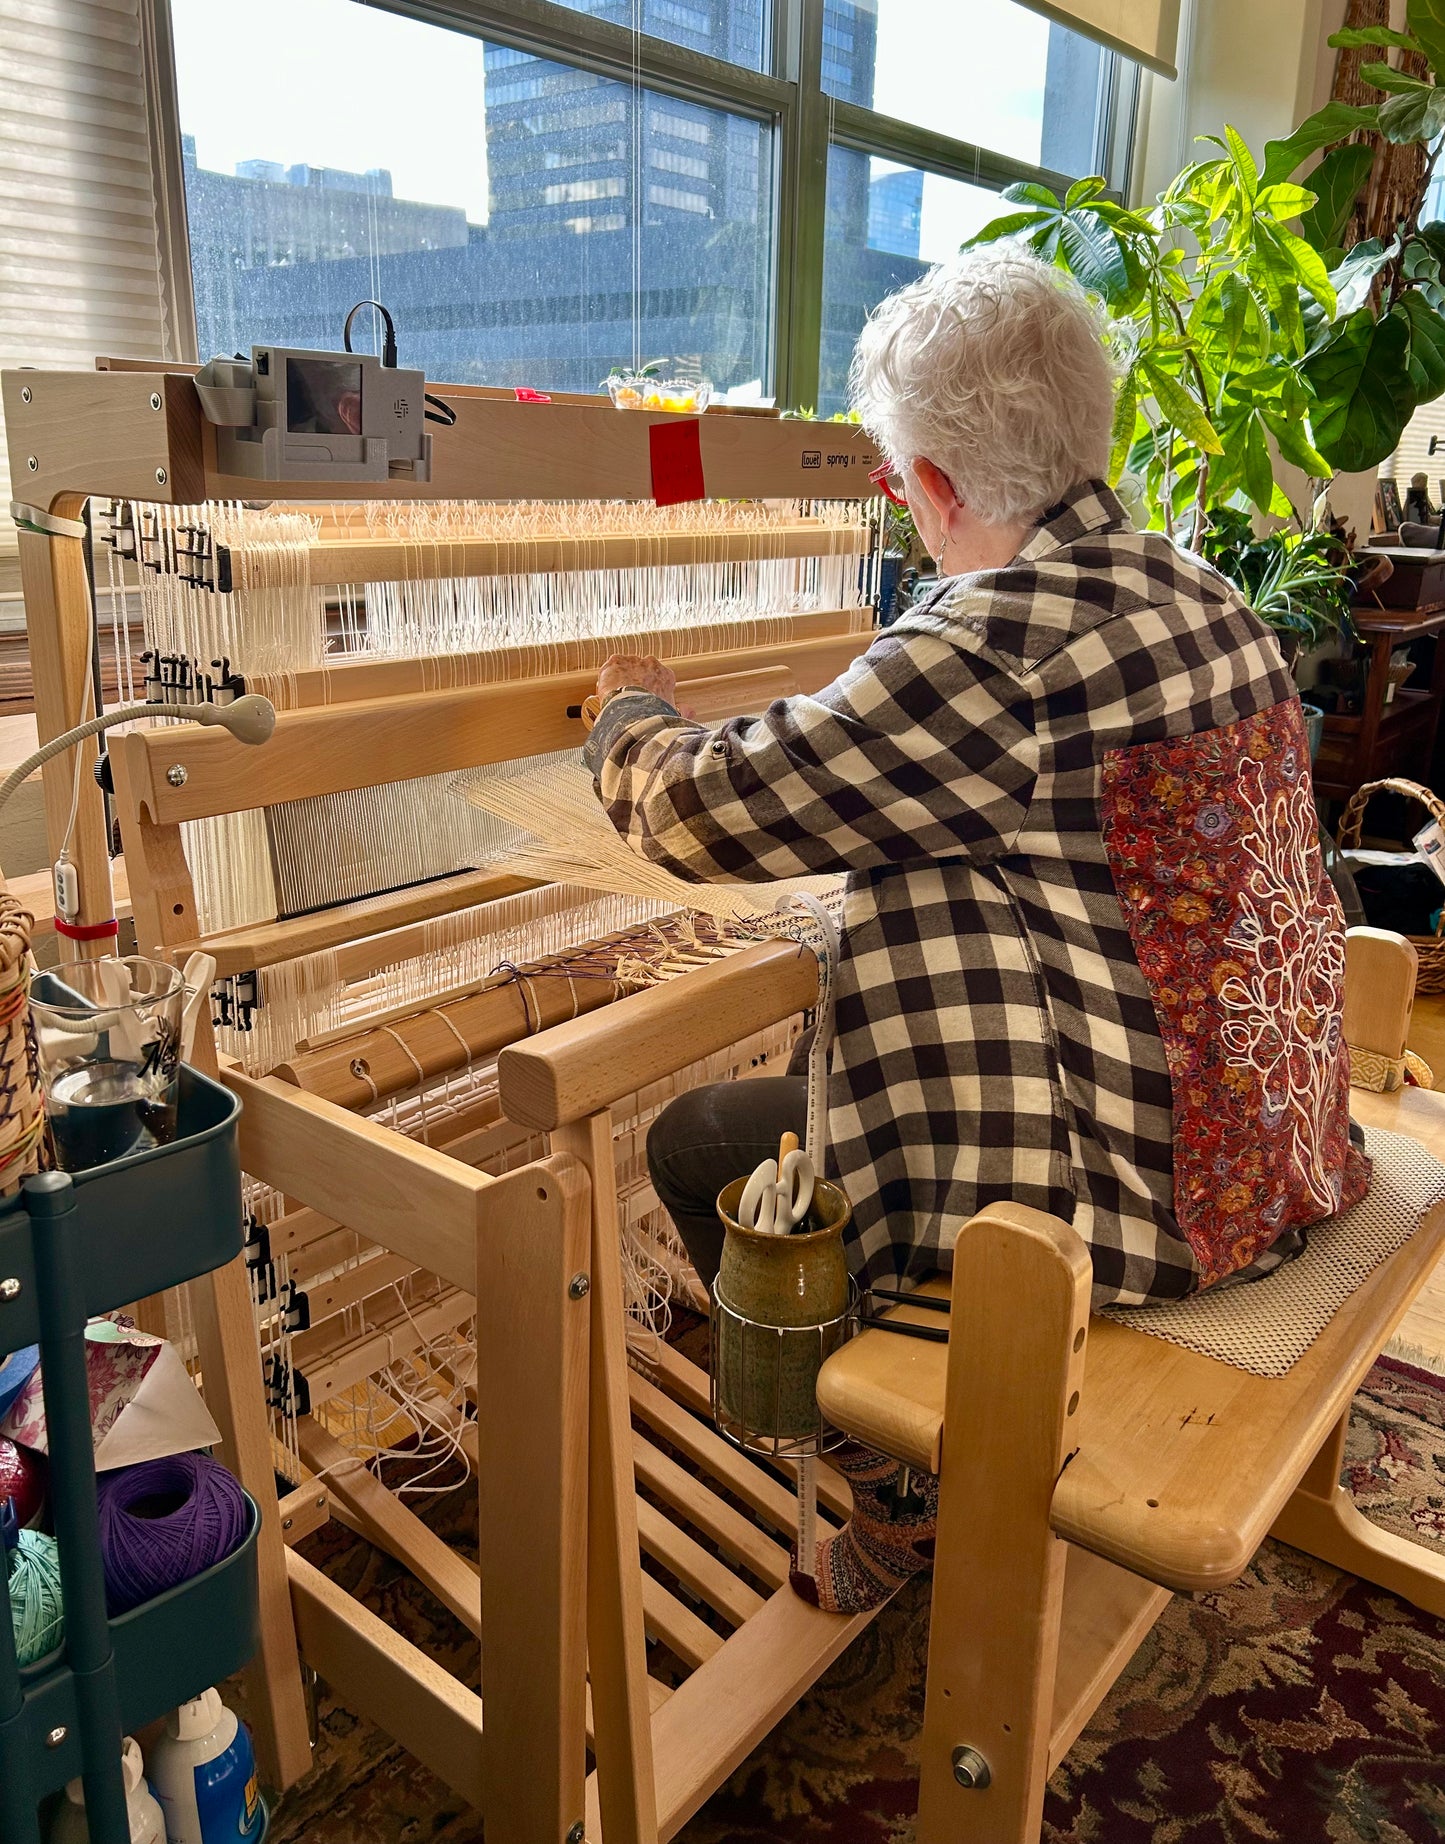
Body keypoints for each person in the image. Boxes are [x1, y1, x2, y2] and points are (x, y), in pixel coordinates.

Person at [582, 245, 1370, 1615]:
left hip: (1148, 1224)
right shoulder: (1204, 598)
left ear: (934, 487)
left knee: (705, 1141)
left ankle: (906, 1496)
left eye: (897, 485)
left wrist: (625, 716)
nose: (903, 515)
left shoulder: (992, 647)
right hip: (1277, 1150)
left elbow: (698, 816)